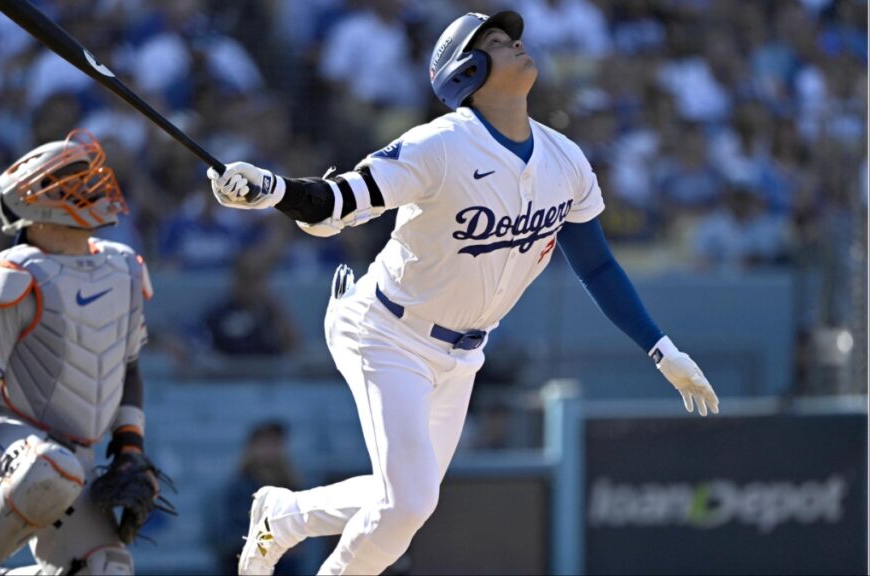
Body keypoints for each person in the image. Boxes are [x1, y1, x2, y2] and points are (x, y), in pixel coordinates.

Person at [207, 11, 720, 575]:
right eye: (498, 42)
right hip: (386, 330)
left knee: (410, 500)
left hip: (462, 354)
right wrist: (270, 189)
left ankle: (284, 516)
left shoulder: (565, 159)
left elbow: (596, 267)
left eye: (512, 37)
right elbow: (336, 204)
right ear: (467, 70)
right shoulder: (439, 146)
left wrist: (662, 351)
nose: (517, 44)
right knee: (405, 507)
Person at [0, 129, 170, 575]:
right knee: (49, 471)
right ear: (39, 199)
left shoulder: (124, 266)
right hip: (10, 438)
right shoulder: (13, 277)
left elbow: (130, 370)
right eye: (76, 179)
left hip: (77, 454)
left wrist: (129, 450)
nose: (94, 185)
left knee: (109, 568)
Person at [215, 421, 303, 575]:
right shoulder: (240, 486)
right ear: (252, 448)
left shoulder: (291, 484)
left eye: (275, 443)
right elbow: (235, 534)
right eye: (265, 444)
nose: (270, 450)